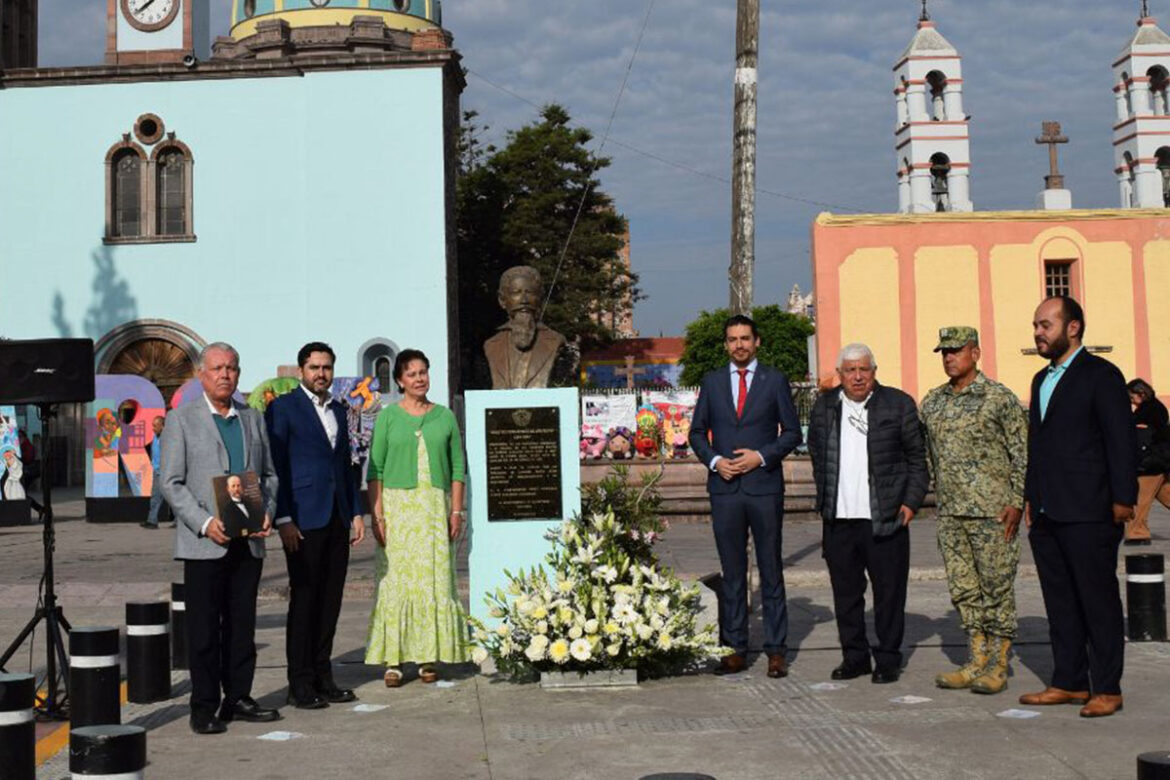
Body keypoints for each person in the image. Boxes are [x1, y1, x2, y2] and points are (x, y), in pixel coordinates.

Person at [1017, 296, 1137, 718]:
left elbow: (1120, 440)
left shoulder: (1101, 376)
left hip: (1091, 510)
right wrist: (1032, 496)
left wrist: (1124, 500)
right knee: (1060, 601)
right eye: (1035, 325)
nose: (1037, 333)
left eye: (1045, 324)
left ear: (1073, 328)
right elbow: (1038, 443)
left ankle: (1106, 687)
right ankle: (1068, 680)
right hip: (1049, 511)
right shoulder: (1040, 379)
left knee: (1097, 599)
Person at [160, 342, 281, 735]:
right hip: (205, 542)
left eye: (231, 368)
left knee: (242, 624)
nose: (225, 374)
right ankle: (204, 705)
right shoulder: (182, 419)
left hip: (248, 540)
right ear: (201, 375)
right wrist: (203, 522)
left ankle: (239, 697)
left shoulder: (252, 418)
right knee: (204, 628)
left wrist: (268, 512)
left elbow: (269, 476)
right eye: (217, 368)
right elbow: (171, 483)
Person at [688, 314, 803, 678]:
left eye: (745, 338)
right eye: (733, 339)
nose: (739, 345)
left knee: (770, 570)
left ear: (757, 342)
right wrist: (715, 460)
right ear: (726, 345)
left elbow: (792, 432)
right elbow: (696, 433)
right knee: (732, 572)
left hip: (764, 486)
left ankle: (775, 650)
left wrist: (762, 455)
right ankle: (734, 648)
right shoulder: (712, 382)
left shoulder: (775, 380)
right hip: (725, 490)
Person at [806, 343, 928, 684]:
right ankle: (855, 656)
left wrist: (910, 504)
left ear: (874, 372)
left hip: (885, 517)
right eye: (850, 370)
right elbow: (817, 453)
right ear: (840, 374)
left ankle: (887, 658)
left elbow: (917, 460)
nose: (857, 376)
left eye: (864, 370)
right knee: (846, 595)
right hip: (840, 519)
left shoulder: (898, 404)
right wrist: (827, 497)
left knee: (889, 593)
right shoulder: (825, 406)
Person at [920, 327, 1028, 695]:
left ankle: (998, 664)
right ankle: (975, 660)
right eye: (944, 352)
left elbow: (1021, 453)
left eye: (956, 350)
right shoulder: (933, 402)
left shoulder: (999, 398)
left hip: (994, 513)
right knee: (964, 589)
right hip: (952, 514)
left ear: (975, 353)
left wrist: (1017, 500)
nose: (949, 357)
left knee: (996, 588)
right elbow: (927, 455)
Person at [265, 342, 365, 710]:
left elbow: (346, 466)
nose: (320, 373)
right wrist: (284, 518)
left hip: (337, 516)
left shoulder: (340, 409)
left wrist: (355, 512)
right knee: (305, 602)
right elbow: (276, 467)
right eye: (314, 367)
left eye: (326, 367)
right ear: (301, 370)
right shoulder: (283, 408)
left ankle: (324, 676)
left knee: (330, 603)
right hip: (302, 520)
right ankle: (300, 682)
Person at [365, 349, 469, 685]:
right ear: (399, 380)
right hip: (398, 510)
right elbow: (375, 469)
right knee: (396, 582)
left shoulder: (444, 417)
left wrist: (456, 510)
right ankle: (393, 661)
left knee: (434, 581)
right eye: (411, 374)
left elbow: (457, 467)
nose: (419, 378)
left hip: (434, 511)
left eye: (423, 372)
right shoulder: (388, 417)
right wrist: (377, 516)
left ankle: (428, 657)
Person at [482, 265, 568, 389]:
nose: (524, 300)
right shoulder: (491, 345)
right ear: (502, 300)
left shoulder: (556, 341)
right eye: (516, 293)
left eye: (530, 293)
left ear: (540, 299)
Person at [1125, 378, 1170, 545]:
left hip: (1151, 463)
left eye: (1132, 397)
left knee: (1139, 499)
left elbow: (1150, 436)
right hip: (1158, 461)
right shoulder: (1149, 408)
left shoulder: (1152, 410)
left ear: (1141, 393)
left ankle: (1138, 534)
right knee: (1166, 494)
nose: (1131, 400)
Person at [142, 415, 167, 529]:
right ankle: (152, 520)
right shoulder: (155, 437)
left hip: (164, 472)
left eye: (156, 426)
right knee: (158, 497)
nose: (153, 428)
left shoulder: (167, 439)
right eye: (153, 425)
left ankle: (152, 521)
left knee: (157, 497)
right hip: (157, 470)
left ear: (162, 426)